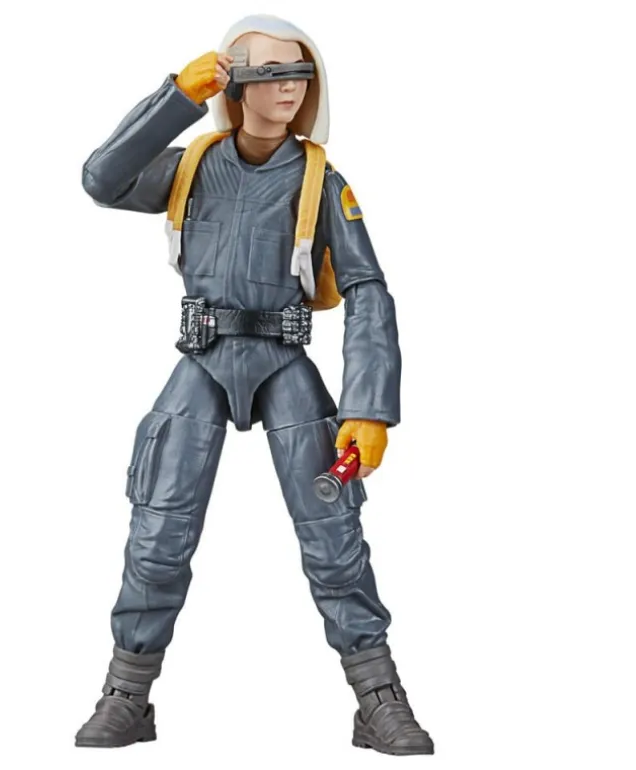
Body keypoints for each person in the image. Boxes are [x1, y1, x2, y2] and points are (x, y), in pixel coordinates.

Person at [75, 13, 433, 757]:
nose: (290, 87)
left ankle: (379, 698)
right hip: (202, 360)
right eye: (271, 73)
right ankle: (126, 693)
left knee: (334, 538)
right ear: (233, 84)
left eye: (299, 72)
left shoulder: (321, 182)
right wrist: (175, 97)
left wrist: (369, 409)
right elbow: (102, 179)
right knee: (158, 532)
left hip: (283, 363)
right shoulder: (192, 165)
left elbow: (367, 290)